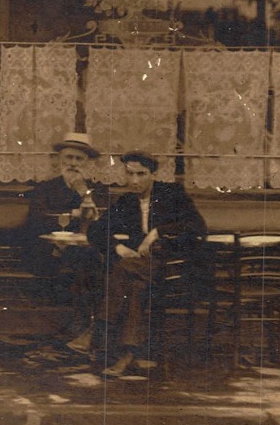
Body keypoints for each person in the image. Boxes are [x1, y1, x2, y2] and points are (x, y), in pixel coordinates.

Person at [83, 152, 207, 376]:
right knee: (134, 287)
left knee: (122, 269)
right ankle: (127, 356)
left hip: (171, 269)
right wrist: (117, 248)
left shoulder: (172, 193)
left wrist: (156, 233)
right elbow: (95, 229)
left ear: (153, 174)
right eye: (129, 174)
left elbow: (198, 226)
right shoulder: (127, 201)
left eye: (141, 174)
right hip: (142, 272)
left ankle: (97, 330)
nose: (134, 181)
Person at [17, 133, 110, 336]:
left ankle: (86, 325)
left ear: (88, 163)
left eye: (79, 159)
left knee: (90, 261)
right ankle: (86, 325)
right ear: (59, 159)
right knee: (85, 263)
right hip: (50, 253)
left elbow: (106, 223)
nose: (73, 164)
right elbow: (36, 222)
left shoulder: (98, 191)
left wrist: (83, 195)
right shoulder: (45, 189)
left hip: (85, 254)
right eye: (69, 158)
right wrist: (73, 215)